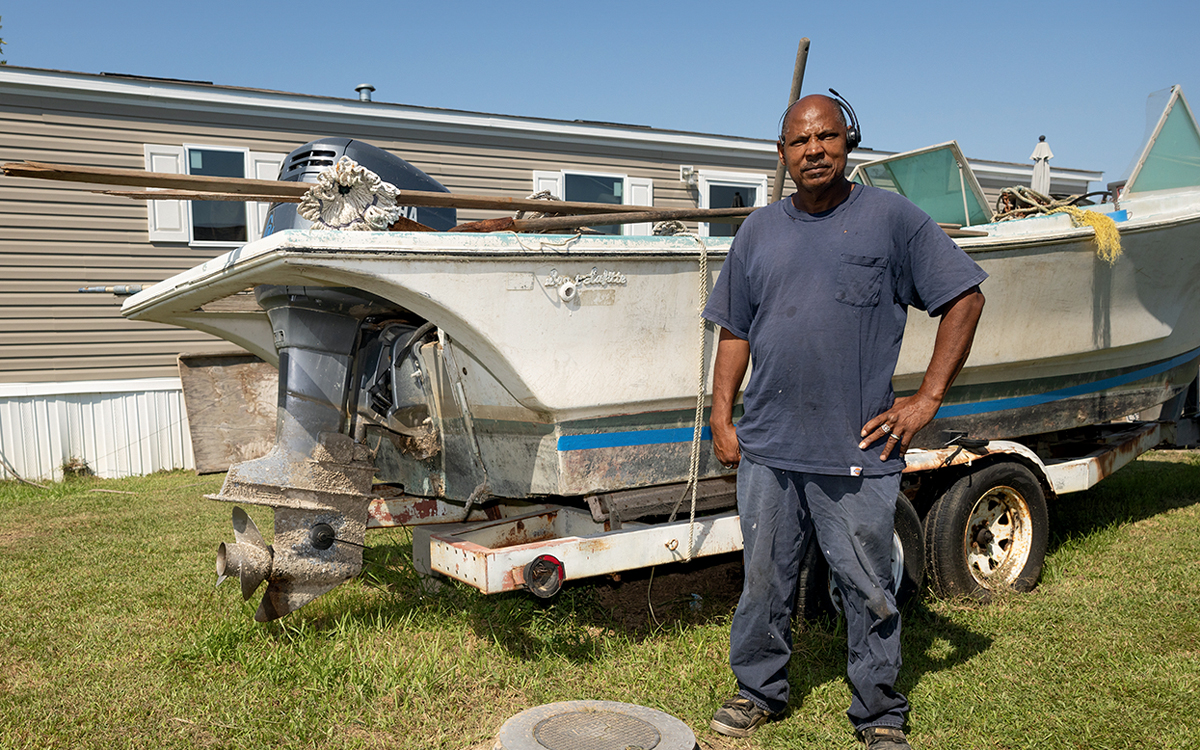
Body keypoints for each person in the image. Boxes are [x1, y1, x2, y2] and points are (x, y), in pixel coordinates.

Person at [702, 93, 986, 749]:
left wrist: (927, 399)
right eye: (800, 142)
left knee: (867, 587)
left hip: (856, 450)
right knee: (764, 584)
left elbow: (965, 297)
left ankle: (879, 712)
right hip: (769, 448)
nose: (814, 151)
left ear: (848, 142)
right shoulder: (758, 231)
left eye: (826, 137)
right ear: (782, 154)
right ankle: (758, 691)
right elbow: (735, 329)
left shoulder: (892, 220)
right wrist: (722, 414)